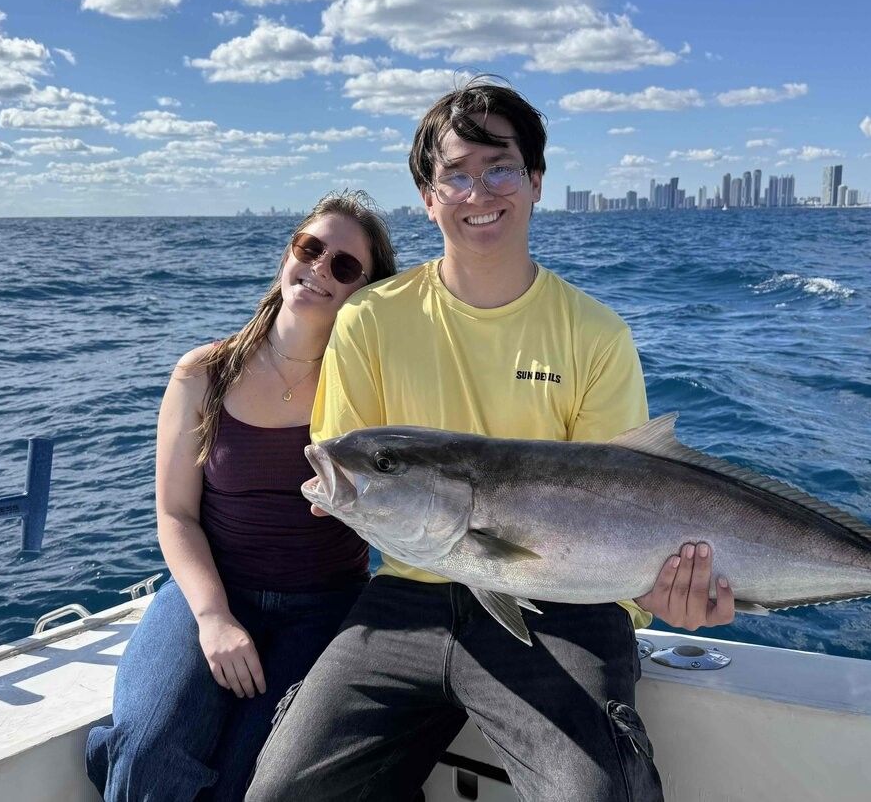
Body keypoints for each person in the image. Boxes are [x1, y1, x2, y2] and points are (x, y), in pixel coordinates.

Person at [245, 78, 735, 802]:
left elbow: (631, 502)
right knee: (281, 792)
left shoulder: (595, 335)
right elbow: (353, 468)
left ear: (536, 182)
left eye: (500, 168)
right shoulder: (369, 321)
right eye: (456, 175)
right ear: (428, 197)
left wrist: (666, 593)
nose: (480, 192)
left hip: (563, 610)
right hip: (408, 597)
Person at [86, 191, 398, 802]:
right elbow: (175, 515)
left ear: (364, 290)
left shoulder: (369, 392)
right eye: (310, 248)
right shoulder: (205, 372)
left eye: (344, 266)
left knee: (248, 781)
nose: (318, 268)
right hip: (210, 593)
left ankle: (110, 754)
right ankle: (118, 750)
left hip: (323, 611)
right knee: (149, 755)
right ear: (288, 254)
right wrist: (213, 617)